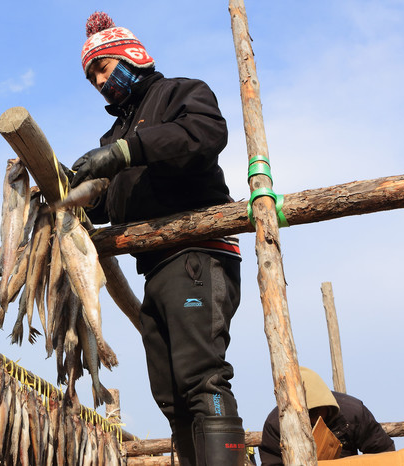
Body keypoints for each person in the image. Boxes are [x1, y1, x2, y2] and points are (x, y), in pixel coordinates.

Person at [71, 12, 246, 465]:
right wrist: (73, 193)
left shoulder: (180, 93)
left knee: (201, 377)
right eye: (92, 79)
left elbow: (206, 134)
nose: (100, 82)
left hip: (197, 254)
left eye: (103, 68)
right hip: (156, 268)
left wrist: (125, 151)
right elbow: (110, 204)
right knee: (170, 392)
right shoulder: (116, 134)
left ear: (130, 55)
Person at [259, 367, 395, 465]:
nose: (309, 420)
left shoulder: (353, 413)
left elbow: (384, 453)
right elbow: (272, 463)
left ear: (326, 406)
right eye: (303, 414)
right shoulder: (276, 425)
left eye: (314, 413)